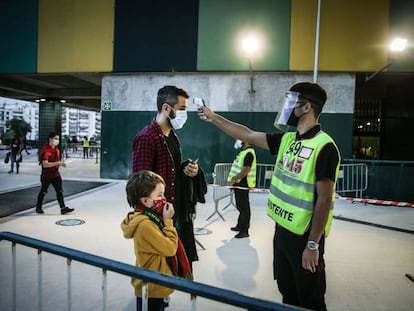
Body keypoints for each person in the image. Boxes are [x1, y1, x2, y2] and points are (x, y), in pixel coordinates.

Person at [197, 82, 340, 311]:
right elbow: (246, 133)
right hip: (282, 231)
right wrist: (214, 117)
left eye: (293, 101)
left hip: (304, 237)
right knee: (288, 292)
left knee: (310, 299)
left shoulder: (325, 146)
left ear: (307, 107)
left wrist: (313, 244)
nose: (289, 106)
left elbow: (324, 199)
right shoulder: (287, 140)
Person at [132, 85, 207, 268]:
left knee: (169, 267)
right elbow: (140, 188)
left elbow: (171, 173)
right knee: (154, 269)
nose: (185, 114)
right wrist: (158, 219)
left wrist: (189, 171)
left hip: (172, 215)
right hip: (155, 219)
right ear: (167, 108)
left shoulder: (172, 137)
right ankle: (150, 297)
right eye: (182, 109)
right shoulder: (146, 138)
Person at [121, 170, 192, 311]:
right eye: (159, 195)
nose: (164, 199)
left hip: (155, 281)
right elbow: (171, 248)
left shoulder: (149, 216)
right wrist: (168, 222)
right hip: (151, 286)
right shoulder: (146, 225)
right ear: (145, 201)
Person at [35, 131, 74, 215]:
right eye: (56, 139)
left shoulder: (56, 150)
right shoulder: (46, 150)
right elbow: (45, 164)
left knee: (59, 191)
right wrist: (58, 163)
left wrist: (61, 163)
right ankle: (38, 207)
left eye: (58, 139)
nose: (57, 140)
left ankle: (63, 208)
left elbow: (55, 161)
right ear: (50, 139)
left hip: (55, 174)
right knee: (44, 191)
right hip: (46, 175)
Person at [227, 139, 256, 238]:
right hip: (238, 183)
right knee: (240, 206)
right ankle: (240, 226)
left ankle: (245, 230)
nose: (238, 140)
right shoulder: (243, 152)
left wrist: (234, 178)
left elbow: (245, 171)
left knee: (244, 208)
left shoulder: (249, 153)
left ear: (247, 141)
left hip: (243, 184)